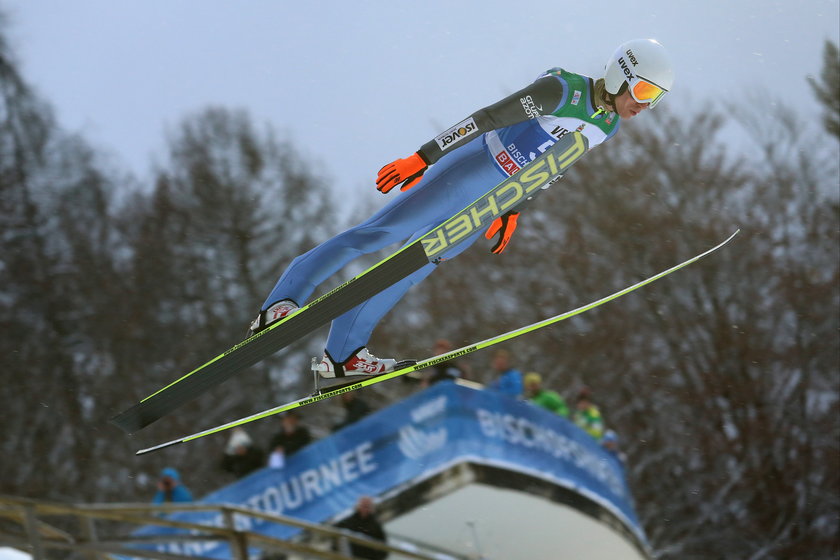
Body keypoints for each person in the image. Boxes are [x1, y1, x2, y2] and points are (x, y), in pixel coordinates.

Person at [248, 39, 674, 380]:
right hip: (472, 168)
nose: (645, 104)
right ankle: (281, 302)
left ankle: (342, 355)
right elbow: (486, 118)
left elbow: (552, 169)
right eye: (644, 91)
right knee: (380, 233)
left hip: (493, 200)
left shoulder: (608, 125)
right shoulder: (562, 89)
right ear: (622, 75)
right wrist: (423, 156)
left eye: (655, 98)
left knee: (411, 267)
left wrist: (515, 208)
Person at [333, 496, 388, 560]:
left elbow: (383, 546)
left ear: (371, 508)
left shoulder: (375, 525)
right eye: (363, 506)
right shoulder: (348, 521)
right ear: (358, 506)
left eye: (367, 506)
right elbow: (337, 539)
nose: (365, 509)